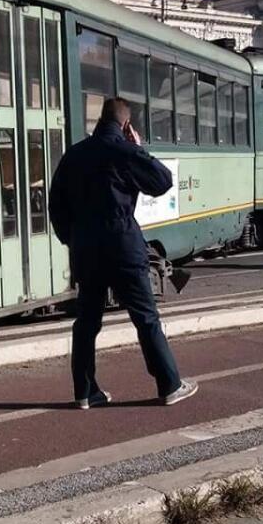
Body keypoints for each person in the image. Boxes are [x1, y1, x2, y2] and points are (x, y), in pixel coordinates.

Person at [48, 98, 198, 410]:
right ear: (126, 125)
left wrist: (73, 239)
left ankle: (86, 392)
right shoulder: (126, 151)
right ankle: (169, 384)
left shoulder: (73, 155)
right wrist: (139, 148)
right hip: (122, 245)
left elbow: (56, 206)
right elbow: (162, 182)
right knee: (145, 317)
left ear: (99, 121)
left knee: (87, 321)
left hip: (86, 249)